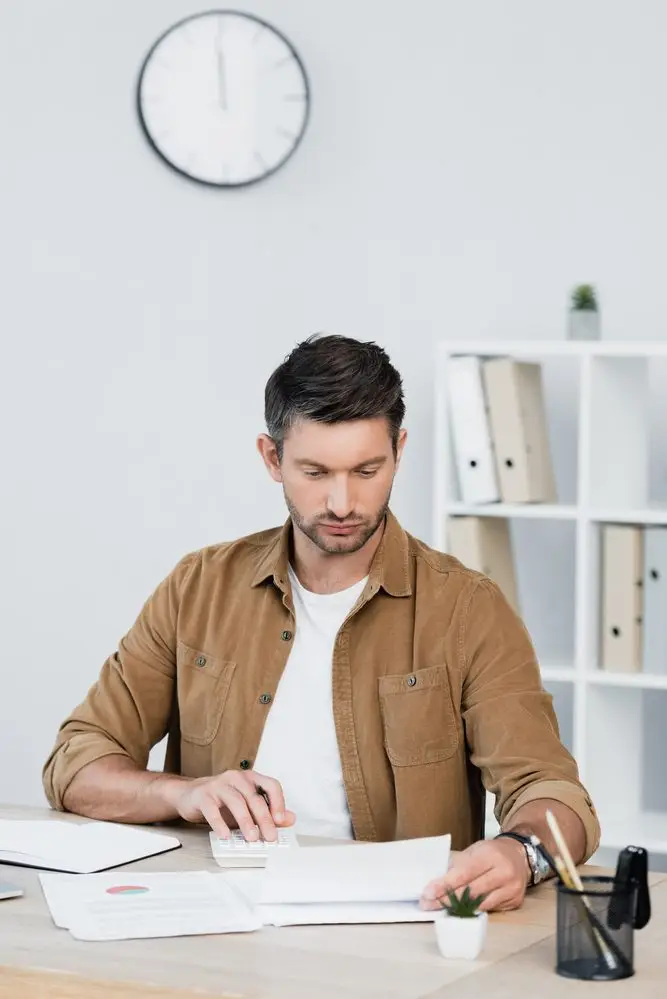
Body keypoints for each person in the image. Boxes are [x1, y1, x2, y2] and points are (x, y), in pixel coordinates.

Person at [43, 334, 599, 913]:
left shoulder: (468, 609)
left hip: (401, 926)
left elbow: (554, 793)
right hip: (218, 917)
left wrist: (519, 853)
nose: (341, 503)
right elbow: (76, 765)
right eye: (315, 471)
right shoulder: (198, 587)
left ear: (399, 451)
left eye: (366, 470)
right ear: (272, 458)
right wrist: (184, 794)